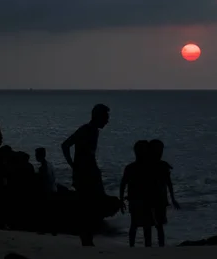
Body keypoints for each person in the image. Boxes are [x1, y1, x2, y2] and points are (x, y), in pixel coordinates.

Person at [61, 104, 110, 246]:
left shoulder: (90, 130)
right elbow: (65, 146)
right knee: (88, 207)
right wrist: (73, 165)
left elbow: (67, 146)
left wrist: (74, 166)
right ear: (99, 117)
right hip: (86, 175)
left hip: (86, 174)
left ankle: (87, 238)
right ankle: (86, 239)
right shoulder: (88, 130)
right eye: (106, 117)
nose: (107, 121)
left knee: (88, 207)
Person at [119, 140, 153, 247]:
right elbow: (123, 184)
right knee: (143, 225)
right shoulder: (147, 168)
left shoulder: (131, 167)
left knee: (138, 224)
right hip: (139, 199)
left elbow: (123, 184)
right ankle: (144, 246)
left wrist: (121, 199)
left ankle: (134, 246)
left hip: (139, 199)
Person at [148, 139, 180, 247]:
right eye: (157, 150)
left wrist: (173, 198)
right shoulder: (146, 165)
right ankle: (149, 245)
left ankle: (161, 245)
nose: (159, 152)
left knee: (159, 224)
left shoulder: (163, 165)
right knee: (148, 224)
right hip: (148, 198)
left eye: (161, 150)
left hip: (161, 199)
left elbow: (169, 183)